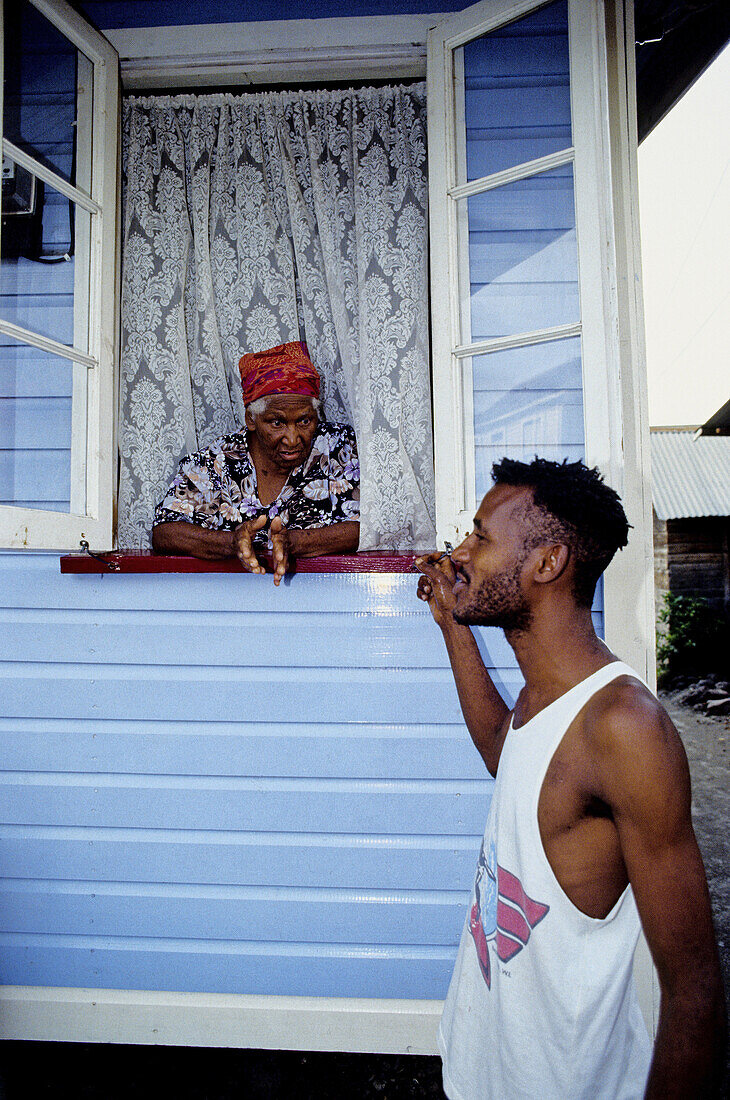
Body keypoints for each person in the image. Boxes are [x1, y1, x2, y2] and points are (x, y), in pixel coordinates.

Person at [415, 457, 726, 1100]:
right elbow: (512, 758)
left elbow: (693, 988)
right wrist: (453, 627)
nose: (459, 552)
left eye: (480, 536)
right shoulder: (546, 694)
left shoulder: (624, 729)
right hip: (486, 1063)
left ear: (547, 564)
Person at [152, 342, 360, 584]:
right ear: (251, 419)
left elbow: (371, 525)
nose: (292, 438)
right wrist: (231, 543)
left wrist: (296, 542)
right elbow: (165, 532)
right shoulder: (217, 461)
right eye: (276, 423)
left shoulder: (339, 448)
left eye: (304, 421)